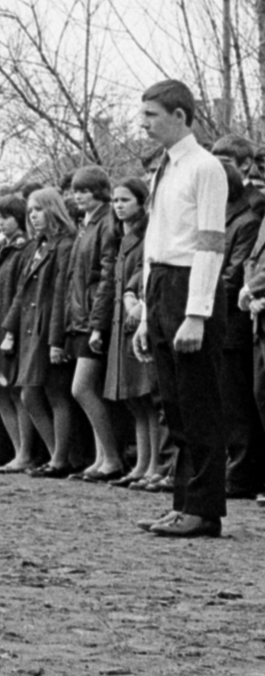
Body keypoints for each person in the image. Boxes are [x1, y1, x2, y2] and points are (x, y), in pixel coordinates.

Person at [133, 80, 229, 537]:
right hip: (161, 285)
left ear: (180, 116)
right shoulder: (164, 169)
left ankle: (205, 510)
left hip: (191, 284)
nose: (144, 124)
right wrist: (146, 315)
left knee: (199, 403)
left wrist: (196, 314)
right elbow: (154, 243)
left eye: (152, 115)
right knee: (173, 405)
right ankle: (183, 503)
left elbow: (210, 244)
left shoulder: (206, 167)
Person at [2, 187, 77, 478]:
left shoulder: (65, 244)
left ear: (53, 210)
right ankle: (55, 453)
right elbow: (21, 291)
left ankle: (60, 459)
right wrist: (9, 329)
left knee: (55, 393)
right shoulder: (38, 245)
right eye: (30, 211)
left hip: (48, 328)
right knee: (29, 394)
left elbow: (61, 294)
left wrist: (57, 340)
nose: (33, 216)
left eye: (39, 209)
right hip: (29, 329)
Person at [62, 166, 122, 482]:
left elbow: (107, 275)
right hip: (82, 317)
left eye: (84, 190)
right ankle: (101, 459)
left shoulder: (107, 223)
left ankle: (111, 458)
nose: (78, 196)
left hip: (95, 318)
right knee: (90, 389)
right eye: (76, 191)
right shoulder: (87, 224)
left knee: (82, 388)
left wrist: (97, 323)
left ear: (99, 190)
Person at [104, 178, 164, 488]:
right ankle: (141, 464)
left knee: (147, 397)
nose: (119, 205)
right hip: (122, 322)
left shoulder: (148, 233)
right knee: (134, 401)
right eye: (115, 200)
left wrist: (132, 294)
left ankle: (155, 465)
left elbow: (146, 269)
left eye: (125, 200)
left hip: (139, 319)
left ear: (141, 202)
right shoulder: (120, 236)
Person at [218, 164, 263, 498]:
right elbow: (248, 264)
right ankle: (237, 473)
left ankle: (242, 475)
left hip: (234, 320)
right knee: (232, 402)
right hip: (231, 316)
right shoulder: (228, 219)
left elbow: (234, 273)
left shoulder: (245, 221)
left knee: (239, 404)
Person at [0, 194, 35, 473]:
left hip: (11, 330)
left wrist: (10, 330)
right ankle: (17, 450)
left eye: (6, 217)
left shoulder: (25, 248)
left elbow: (21, 294)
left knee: (14, 391)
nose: (0, 223)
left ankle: (25, 452)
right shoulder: (1, 247)